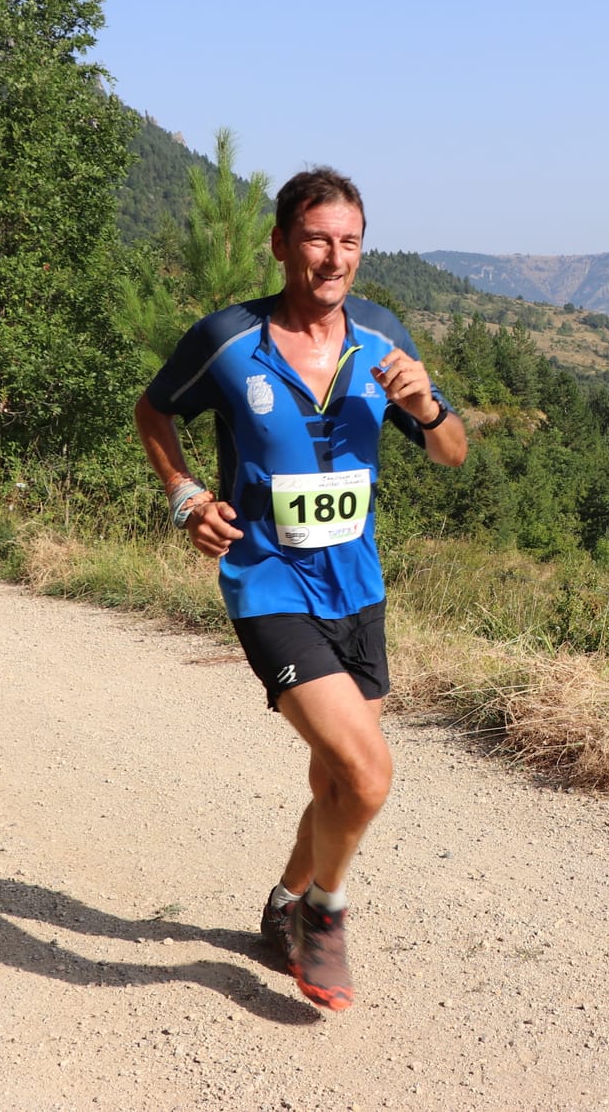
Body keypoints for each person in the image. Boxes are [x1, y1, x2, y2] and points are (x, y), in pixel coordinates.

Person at [132, 166, 466, 1010]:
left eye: (349, 241)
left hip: (358, 587)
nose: (333, 257)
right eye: (317, 238)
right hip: (267, 581)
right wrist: (185, 496)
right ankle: (323, 912)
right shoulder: (228, 338)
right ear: (282, 244)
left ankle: (282, 903)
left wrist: (425, 406)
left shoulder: (383, 337)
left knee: (333, 780)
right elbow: (153, 409)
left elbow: (453, 451)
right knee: (367, 773)